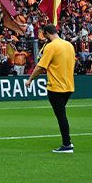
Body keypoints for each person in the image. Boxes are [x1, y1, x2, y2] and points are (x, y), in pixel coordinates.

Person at [29, 23, 76, 153]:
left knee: (61, 116)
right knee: (62, 114)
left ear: (47, 33)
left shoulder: (51, 47)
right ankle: (67, 143)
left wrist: (30, 80)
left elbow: (40, 67)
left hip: (56, 86)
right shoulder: (69, 45)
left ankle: (67, 144)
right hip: (69, 86)